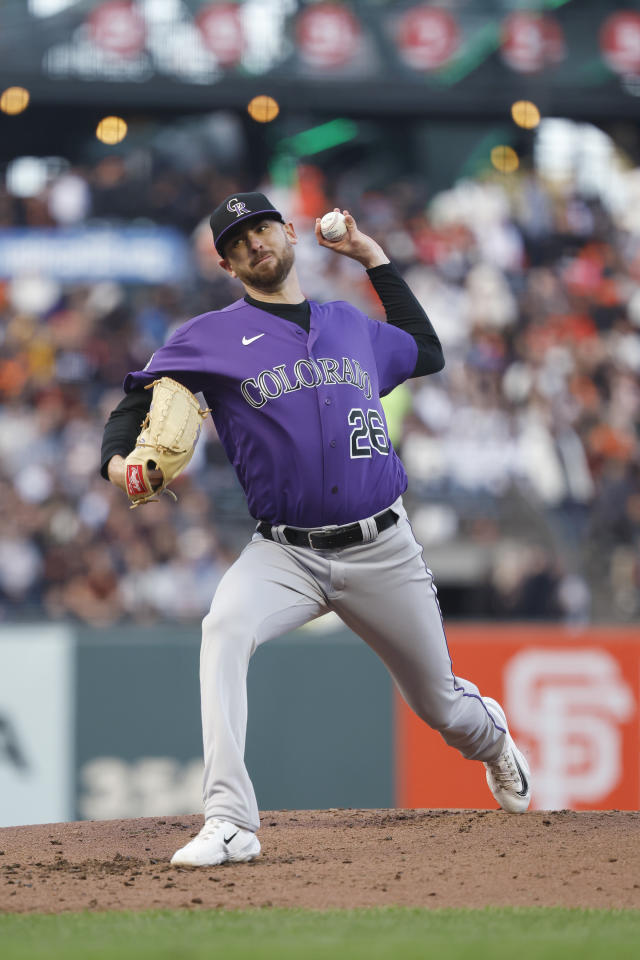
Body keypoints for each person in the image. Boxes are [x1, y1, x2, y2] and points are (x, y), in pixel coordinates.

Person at [101, 191, 531, 867]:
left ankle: (494, 741)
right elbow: (134, 402)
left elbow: (427, 352)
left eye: (262, 228)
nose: (254, 243)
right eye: (237, 240)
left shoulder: (348, 324)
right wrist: (117, 462)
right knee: (223, 630)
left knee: (443, 707)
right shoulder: (207, 337)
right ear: (225, 263)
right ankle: (230, 820)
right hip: (284, 554)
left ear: (291, 232)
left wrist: (372, 257)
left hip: (384, 547)